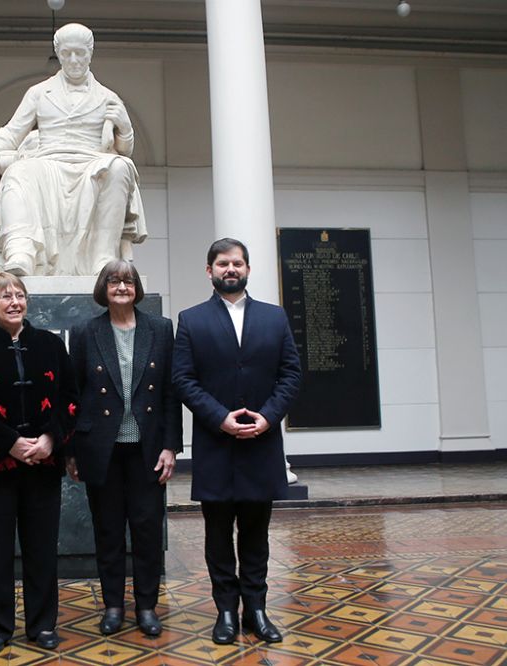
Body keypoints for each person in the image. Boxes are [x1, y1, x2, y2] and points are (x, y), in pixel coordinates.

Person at [172, 238, 301, 646]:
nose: (231, 269)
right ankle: (226, 611)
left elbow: (291, 374)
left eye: (238, 263)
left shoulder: (274, 317)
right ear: (209, 271)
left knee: (256, 533)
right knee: (217, 534)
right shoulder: (191, 320)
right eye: (223, 263)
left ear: (248, 269)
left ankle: (257, 610)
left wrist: (268, 416)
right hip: (217, 444)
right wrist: (219, 418)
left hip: (261, 443)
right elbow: (183, 379)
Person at [0, 273, 77, 654]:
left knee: (41, 548)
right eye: (4, 296)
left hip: (43, 463)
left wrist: (49, 439)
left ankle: (42, 625)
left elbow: (70, 399)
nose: (14, 302)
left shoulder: (51, 345)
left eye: (20, 295)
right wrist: (8, 443)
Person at [0, 22, 147, 277]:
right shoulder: (38, 93)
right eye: (67, 53)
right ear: (58, 54)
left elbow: (123, 149)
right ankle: (22, 252)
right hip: (48, 159)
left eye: (79, 53)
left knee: (120, 167)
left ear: (90, 54)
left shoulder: (107, 96)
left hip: (90, 160)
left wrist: (125, 127)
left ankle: (103, 259)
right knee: (18, 172)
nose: (73, 60)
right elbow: (12, 133)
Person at [67, 260, 182, 637]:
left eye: (129, 281)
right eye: (114, 280)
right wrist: (72, 450)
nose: (122, 287)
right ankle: (114, 605)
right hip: (102, 448)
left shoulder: (160, 329)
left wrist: (171, 447)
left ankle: (146, 606)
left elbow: (169, 392)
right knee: (109, 530)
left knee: (147, 530)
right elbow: (75, 393)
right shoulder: (85, 331)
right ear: (104, 287)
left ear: (137, 289)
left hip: (147, 449)